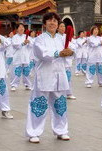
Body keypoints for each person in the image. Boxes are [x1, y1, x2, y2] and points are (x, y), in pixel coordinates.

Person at [25, 12, 73, 143]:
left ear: (58, 24)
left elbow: (72, 49)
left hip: (60, 75)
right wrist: (59, 53)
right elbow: (43, 54)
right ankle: (33, 132)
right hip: (45, 76)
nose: (52, 23)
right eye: (50, 21)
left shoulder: (62, 38)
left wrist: (70, 52)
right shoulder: (39, 39)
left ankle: (61, 130)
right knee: (39, 104)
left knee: (60, 105)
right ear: (45, 23)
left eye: (55, 21)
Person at [10, 24, 32, 91]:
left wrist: (29, 42)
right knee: (17, 72)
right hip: (18, 57)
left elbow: (32, 46)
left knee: (26, 72)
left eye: (22, 27)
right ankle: (13, 85)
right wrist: (23, 43)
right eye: (20, 27)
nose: (21, 28)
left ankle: (27, 84)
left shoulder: (27, 37)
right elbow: (15, 45)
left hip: (26, 57)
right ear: (17, 29)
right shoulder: (15, 37)